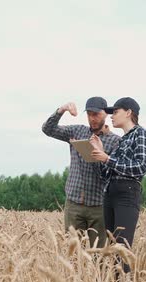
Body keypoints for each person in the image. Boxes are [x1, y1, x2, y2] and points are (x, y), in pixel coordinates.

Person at [42, 97, 120, 247]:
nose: (92, 118)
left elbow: (113, 173)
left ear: (106, 114)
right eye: (89, 114)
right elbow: (48, 129)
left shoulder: (115, 141)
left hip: (99, 206)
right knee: (73, 253)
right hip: (74, 203)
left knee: (100, 255)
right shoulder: (77, 131)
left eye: (96, 114)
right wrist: (61, 110)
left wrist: (100, 154)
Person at [90, 97, 146, 270]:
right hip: (110, 194)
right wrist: (100, 154)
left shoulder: (141, 134)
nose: (111, 116)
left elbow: (140, 167)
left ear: (128, 112)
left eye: (115, 112)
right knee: (111, 251)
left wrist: (107, 158)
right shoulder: (122, 141)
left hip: (127, 193)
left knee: (122, 251)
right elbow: (107, 174)